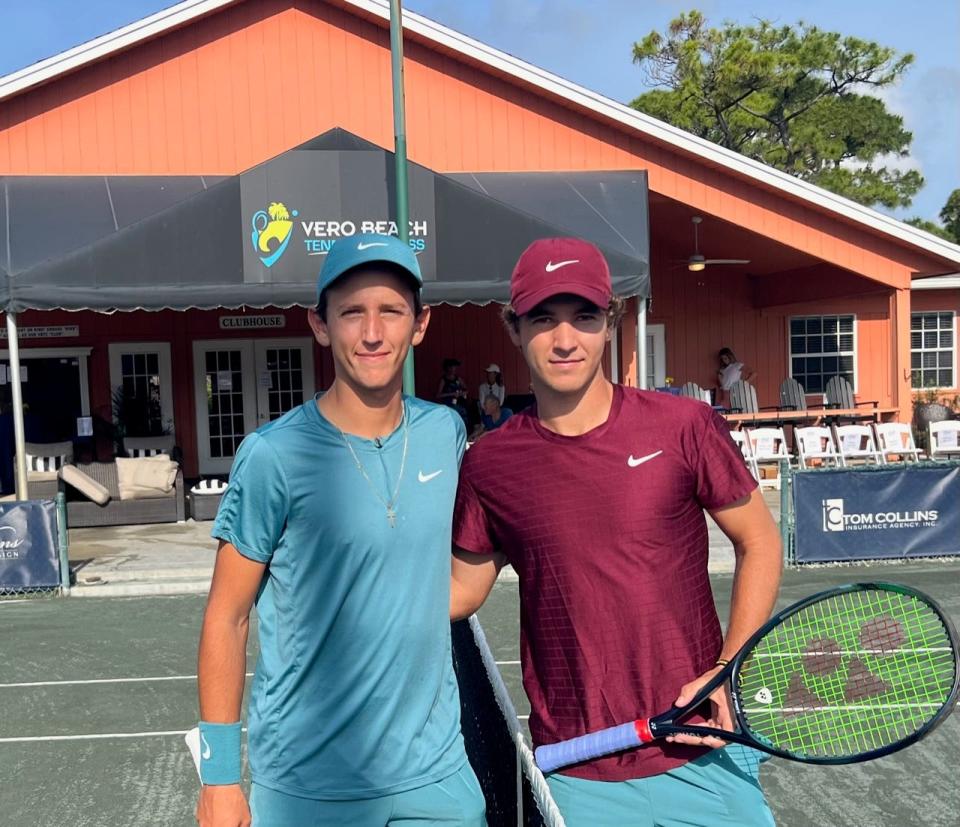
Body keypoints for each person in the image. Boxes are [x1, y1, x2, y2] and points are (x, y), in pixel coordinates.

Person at [449, 238, 782, 827]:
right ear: (513, 327)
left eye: (584, 317)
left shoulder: (686, 426)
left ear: (612, 321)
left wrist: (729, 666)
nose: (565, 338)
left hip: (702, 751)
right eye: (543, 319)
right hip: (579, 772)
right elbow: (461, 590)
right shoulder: (489, 463)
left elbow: (759, 540)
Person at [196, 233, 485, 827]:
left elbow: (447, 588)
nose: (373, 333)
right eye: (352, 312)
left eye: (391, 311)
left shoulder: (445, 433)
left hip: (437, 780)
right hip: (309, 788)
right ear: (320, 325)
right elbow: (227, 617)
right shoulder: (273, 455)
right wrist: (220, 777)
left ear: (421, 323)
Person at [437, 357, 470, 425]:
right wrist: (452, 394)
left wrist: (462, 393)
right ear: (448, 368)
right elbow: (438, 395)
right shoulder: (444, 380)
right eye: (452, 367)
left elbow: (466, 389)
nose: (454, 369)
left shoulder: (458, 378)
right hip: (449, 404)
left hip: (459, 403)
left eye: (455, 367)